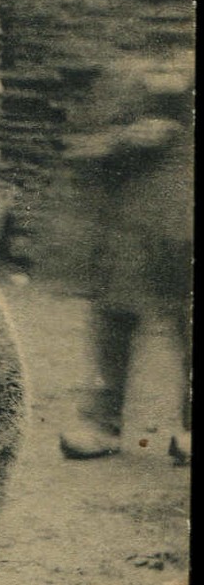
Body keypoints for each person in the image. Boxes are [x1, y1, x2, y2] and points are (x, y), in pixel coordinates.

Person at [58, 68, 193, 465]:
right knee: (114, 317)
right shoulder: (114, 79)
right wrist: (125, 139)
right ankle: (103, 424)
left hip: (184, 217)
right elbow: (78, 147)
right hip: (133, 221)